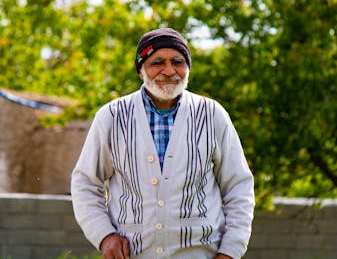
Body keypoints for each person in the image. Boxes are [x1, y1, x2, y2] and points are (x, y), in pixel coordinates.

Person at [71, 27, 255, 259]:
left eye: (178, 61)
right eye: (157, 62)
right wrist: (104, 235)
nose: (169, 71)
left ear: (188, 68)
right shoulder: (113, 116)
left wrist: (231, 251)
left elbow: (238, 186)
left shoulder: (212, 115)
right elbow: (85, 183)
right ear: (141, 70)